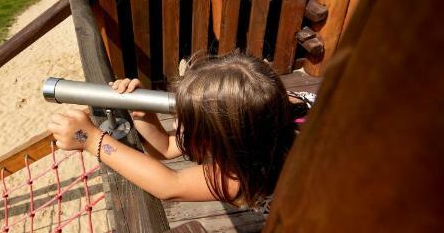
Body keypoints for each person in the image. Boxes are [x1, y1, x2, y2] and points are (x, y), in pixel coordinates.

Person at [48, 52, 300, 207]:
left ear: (224, 139)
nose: (178, 124)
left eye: (188, 121)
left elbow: (169, 185)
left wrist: (91, 140)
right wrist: (142, 111)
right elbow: (167, 148)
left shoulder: (244, 174)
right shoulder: (265, 109)